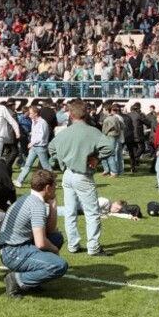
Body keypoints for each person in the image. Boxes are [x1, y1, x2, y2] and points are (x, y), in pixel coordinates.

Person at [48, 99, 114, 256]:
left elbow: (51, 148)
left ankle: (73, 245)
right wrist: (96, 158)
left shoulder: (64, 132)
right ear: (87, 113)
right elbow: (109, 148)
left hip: (67, 174)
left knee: (70, 212)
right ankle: (93, 247)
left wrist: (61, 159)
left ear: (70, 115)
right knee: (91, 213)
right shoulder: (92, 132)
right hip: (83, 175)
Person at [0, 170, 68, 299]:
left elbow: (50, 230)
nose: (57, 188)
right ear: (47, 188)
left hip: (14, 246)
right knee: (59, 265)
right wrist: (54, 249)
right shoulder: (36, 205)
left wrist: (53, 205)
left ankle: (33, 278)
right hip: (13, 252)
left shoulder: (28, 198)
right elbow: (40, 243)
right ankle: (15, 279)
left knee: (56, 237)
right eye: (55, 185)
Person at [14, 105, 51, 188]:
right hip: (34, 147)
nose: (29, 114)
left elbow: (41, 136)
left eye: (30, 113)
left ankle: (53, 182)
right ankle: (19, 181)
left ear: (35, 113)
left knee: (46, 167)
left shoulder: (42, 123)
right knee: (27, 165)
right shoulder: (34, 121)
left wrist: (32, 143)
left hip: (40, 147)